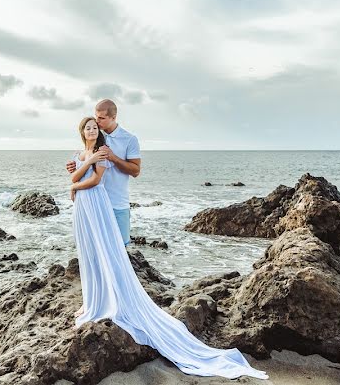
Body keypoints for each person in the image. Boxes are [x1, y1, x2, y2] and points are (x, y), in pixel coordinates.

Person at [69, 117, 268, 381]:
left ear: (100, 129)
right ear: (82, 131)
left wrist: (78, 180)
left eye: (95, 126)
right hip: (83, 207)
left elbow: (94, 181)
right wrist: (79, 173)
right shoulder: (80, 153)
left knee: (106, 252)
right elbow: (73, 174)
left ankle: (107, 298)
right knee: (90, 253)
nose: (92, 129)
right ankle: (92, 298)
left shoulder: (102, 153)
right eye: (88, 127)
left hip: (96, 203)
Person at [66, 99, 140, 247]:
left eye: (101, 118)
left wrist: (113, 157)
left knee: (120, 248)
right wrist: (75, 165)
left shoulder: (129, 139)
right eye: (96, 116)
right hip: (95, 202)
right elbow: (86, 160)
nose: (97, 121)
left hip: (117, 202)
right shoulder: (95, 135)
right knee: (97, 248)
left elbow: (136, 171)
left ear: (113, 117)